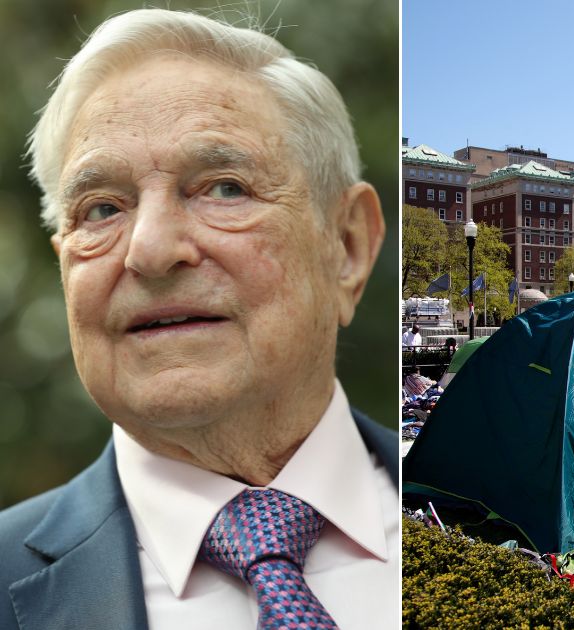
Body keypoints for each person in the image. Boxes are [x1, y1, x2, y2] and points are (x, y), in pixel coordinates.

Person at [0, 9, 393, 629]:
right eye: (101, 208)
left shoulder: (457, 519)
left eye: (223, 188)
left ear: (346, 248)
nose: (150, 250)